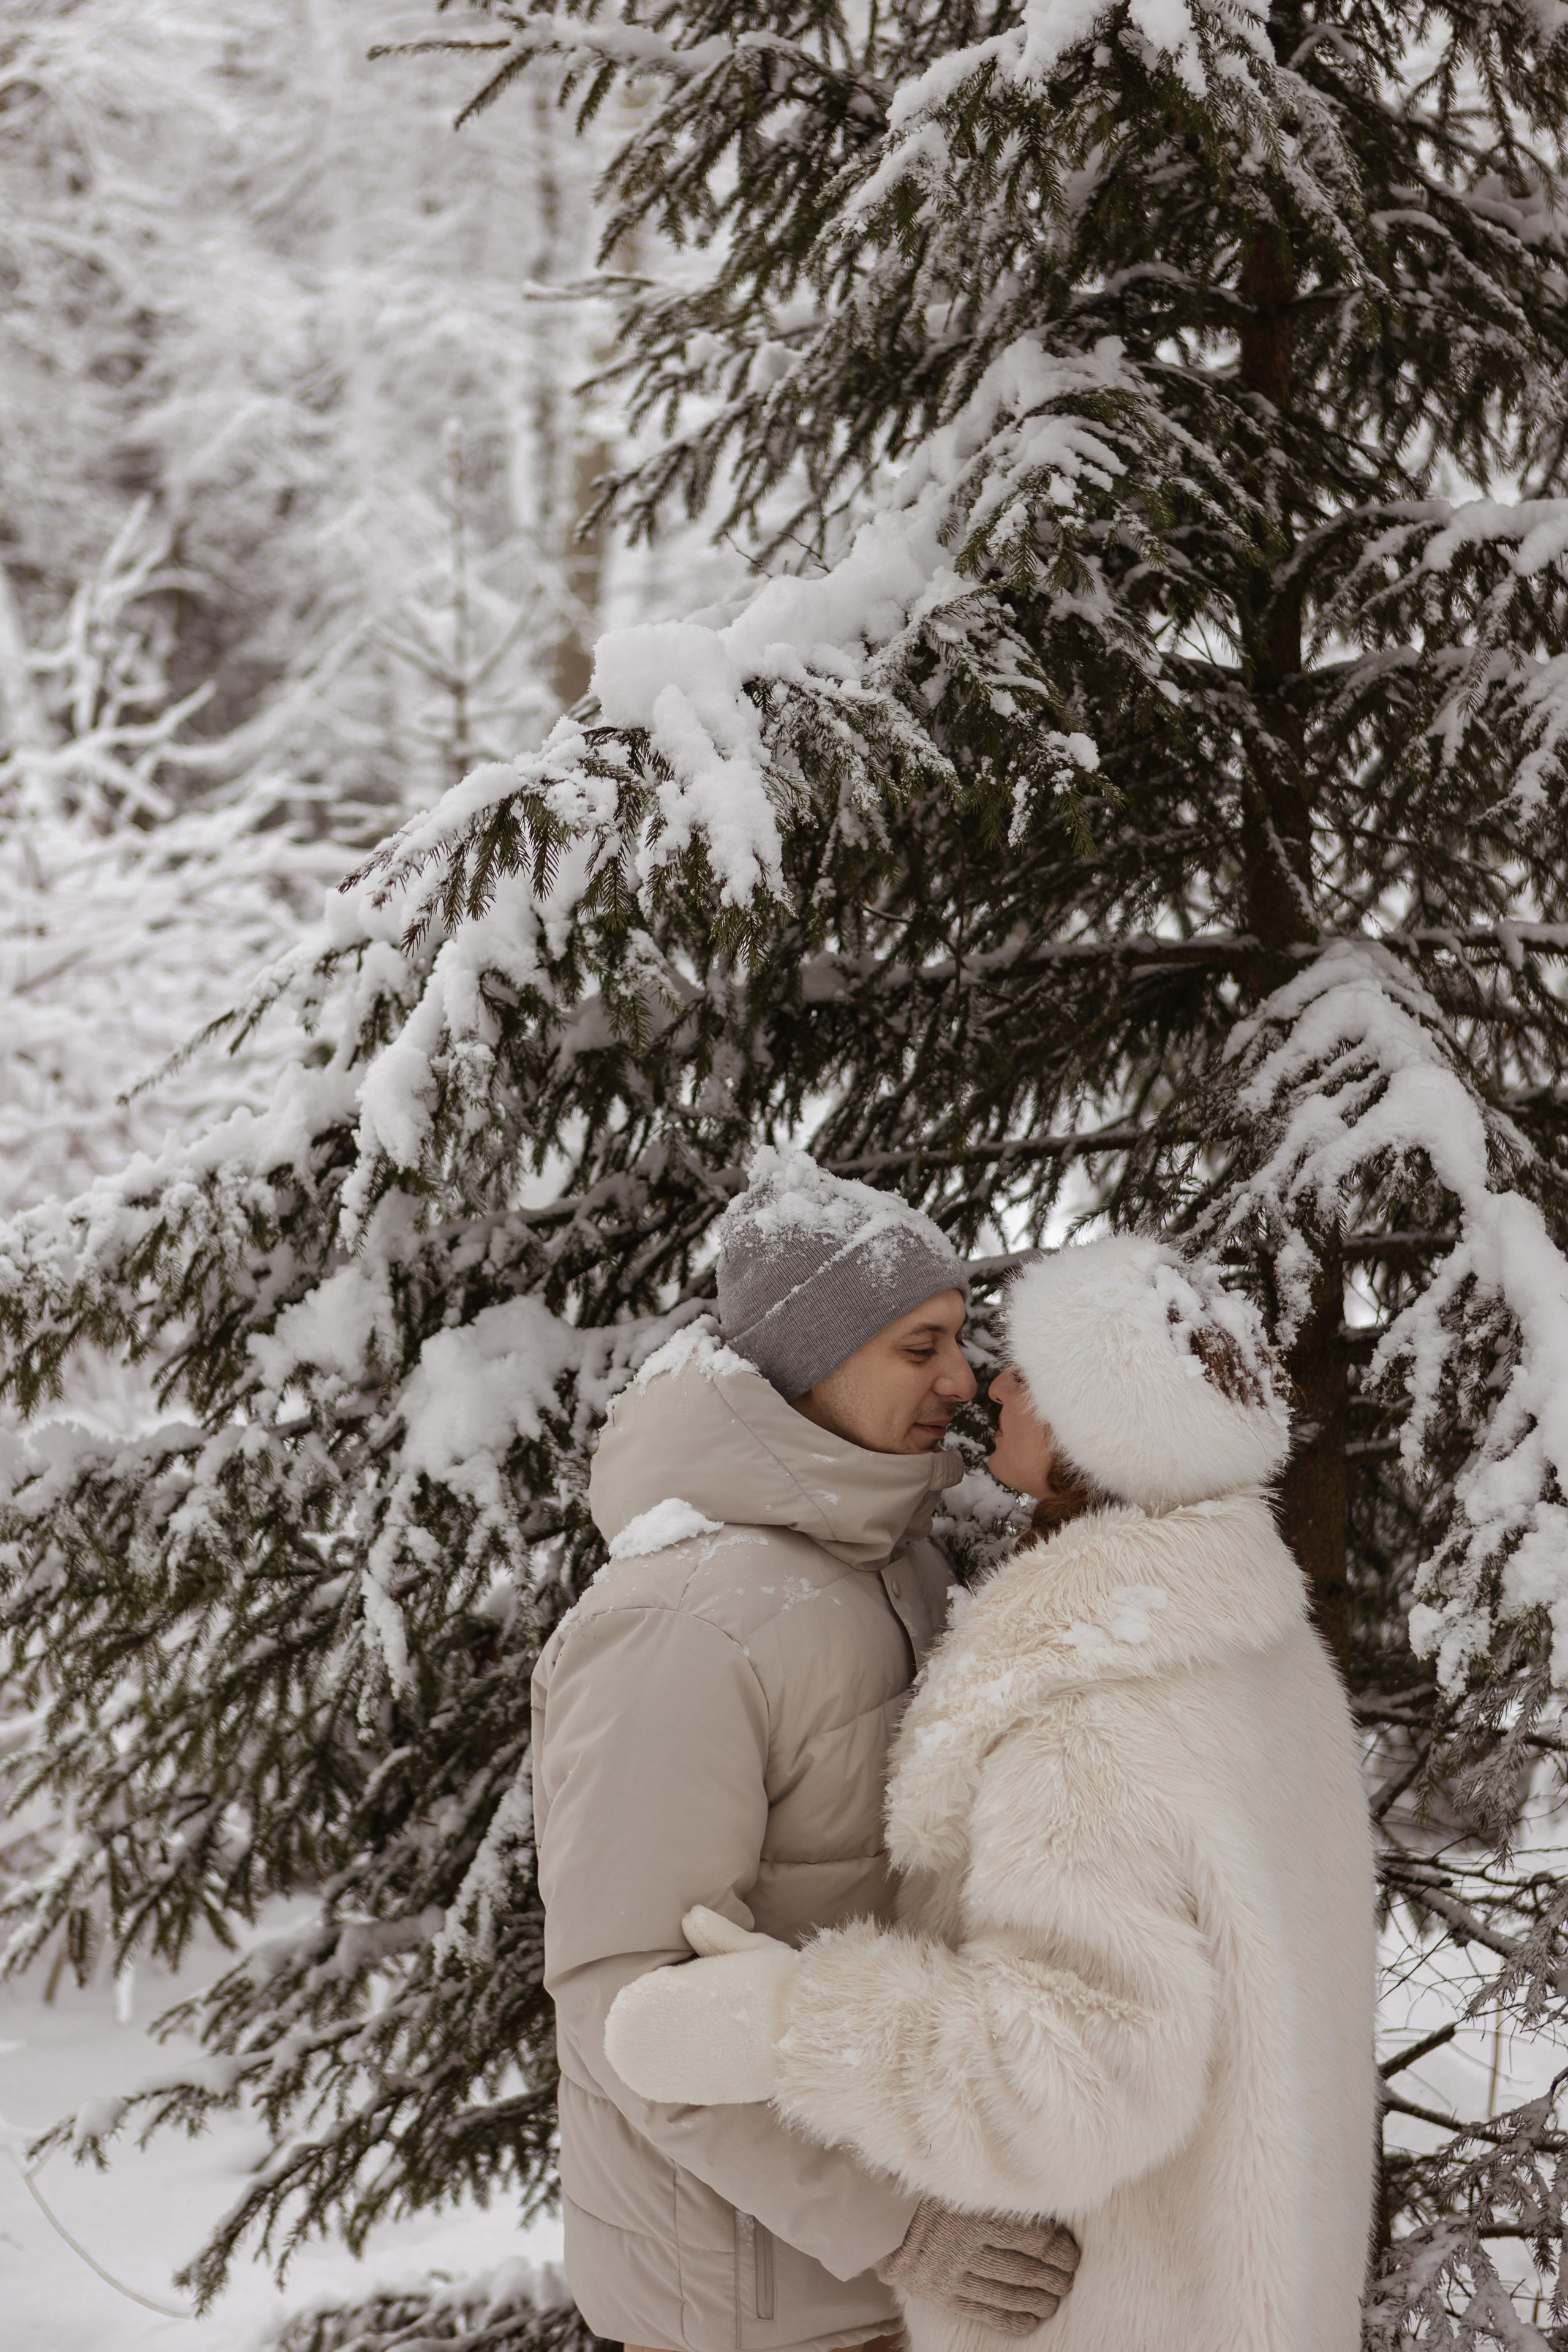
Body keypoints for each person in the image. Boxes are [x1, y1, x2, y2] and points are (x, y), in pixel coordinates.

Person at [606, 1235, 1379, 2352]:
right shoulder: (1256, 1645)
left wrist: (789, 2023)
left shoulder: (1098, 1713)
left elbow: (1074, 2076)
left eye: (1033, 1372)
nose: (993, 1384)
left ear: (1094, 1429)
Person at [531, 1148, 1082, 2352]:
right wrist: (894, 2227)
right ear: (809, 1358)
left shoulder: (894, 1558)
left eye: (956, 1337)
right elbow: (627, 1998)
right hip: (763, 2305)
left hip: (893, 2284)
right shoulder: (679, 1620)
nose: (960, 1376)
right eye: (915, 1346)